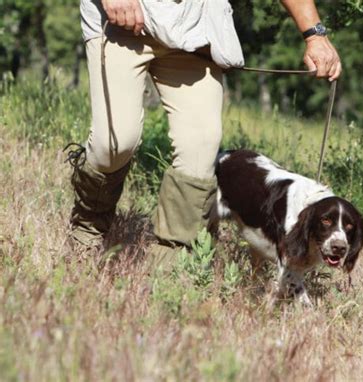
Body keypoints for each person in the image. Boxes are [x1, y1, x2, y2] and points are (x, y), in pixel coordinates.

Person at [70, 0, 341, 259]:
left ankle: (174, 261)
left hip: (195, 29)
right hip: (122, 23)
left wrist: (315, 35)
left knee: (200, 149)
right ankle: (88, 228)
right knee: (114, 144)